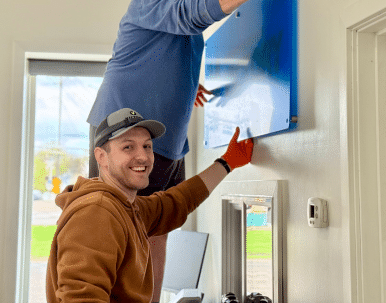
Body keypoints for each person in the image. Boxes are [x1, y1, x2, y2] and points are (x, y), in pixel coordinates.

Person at [86, 0, 292, 301]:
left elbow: (162, 45)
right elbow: (189, 12)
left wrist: (183, 83)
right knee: (113, 226)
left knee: (160, 223)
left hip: (167, 140)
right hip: (127, 135)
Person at [46, 108, 254, 303]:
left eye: (147, 146)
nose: (143, 156)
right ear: (102, 157)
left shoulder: (126, 207)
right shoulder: (96, 213)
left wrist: (227, 163)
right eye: (128, 146)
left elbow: (176, 202)